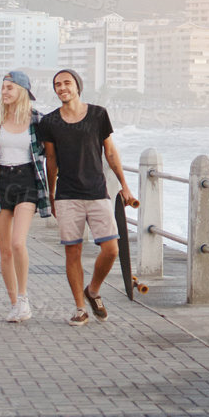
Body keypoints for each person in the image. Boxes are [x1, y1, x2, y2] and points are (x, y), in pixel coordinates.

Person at [39, 69, 137, 326]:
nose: (62, 88)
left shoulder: (98, 114)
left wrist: (125, 185)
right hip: (67, 195)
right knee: (73, 252)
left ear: (77, 86)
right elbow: (50, 160)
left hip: (96, 192)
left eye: (67, 83)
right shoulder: (49, 122)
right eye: (57, 84)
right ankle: (80, 307)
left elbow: (111, 152)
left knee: (111, 249)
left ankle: (92, 290)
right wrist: (50, 193)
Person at [0, 70, 50, 323]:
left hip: (27, 182)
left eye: (10, 87)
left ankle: (23, 298)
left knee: (18, 243)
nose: (5, 91)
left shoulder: (37, 120)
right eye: (3, 87)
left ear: (22, 91)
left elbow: (51, 151)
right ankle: (14, 304)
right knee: (5, 250)